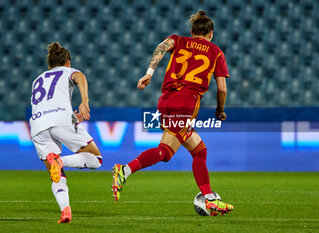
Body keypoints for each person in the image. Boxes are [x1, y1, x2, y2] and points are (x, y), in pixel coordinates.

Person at [112, 11, 233, 216]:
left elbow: (161, 47)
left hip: (166, 100)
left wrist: (149, 73)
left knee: (195, 151)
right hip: (186, 102)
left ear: (191, 31)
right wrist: (220, 110)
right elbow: (222, 89)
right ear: (211, 34)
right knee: (165, 151)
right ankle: (125, 170)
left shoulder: (178, 40)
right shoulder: (216, 52)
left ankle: (209, 197)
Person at [30, 42, 103, 223]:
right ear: (68, 63)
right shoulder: (67, 71)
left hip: (37, 125)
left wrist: (70, 117)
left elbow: (49, 104)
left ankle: (65, 211)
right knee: (96, 159)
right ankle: (60, 160)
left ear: (49, 65)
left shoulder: (37, 80)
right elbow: (80, 77)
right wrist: (84, 101)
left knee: (56, 175)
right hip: (61, 120)